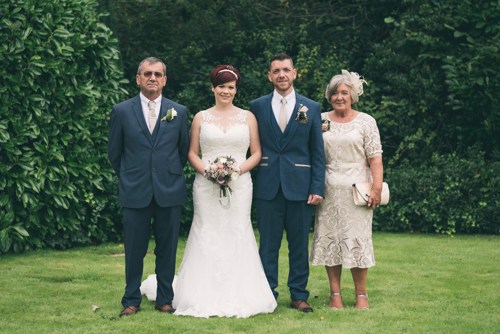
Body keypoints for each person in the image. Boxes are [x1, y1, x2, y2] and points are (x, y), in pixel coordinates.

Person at [141, 65, 277, 318]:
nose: (226, 91)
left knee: (238, 230)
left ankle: (242, 293)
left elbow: (257, 152)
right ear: (212, 88)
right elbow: (192, 152)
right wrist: (209, 172)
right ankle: (199, 293)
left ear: (235, 90)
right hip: (206, 184)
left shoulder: (247, 117)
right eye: (222, 86)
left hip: (240, 184)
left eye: (231, 87)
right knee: (207, 232)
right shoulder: (201, 117)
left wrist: (235, 171)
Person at [108, 57, 190, 317]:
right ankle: (131, 299)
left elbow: (183, 149)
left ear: (165, 79)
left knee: (167, 248)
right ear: (138, 79)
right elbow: (115, 153)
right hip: (135, 190)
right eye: (147, 74)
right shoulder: (121, 111)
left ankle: (165, 298)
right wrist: (130, 176)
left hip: (168, 189)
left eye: (157, 74)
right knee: (134, 249)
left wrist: (167, 174)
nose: (152, 78)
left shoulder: (179, 111)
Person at [249, 53, 325, 313]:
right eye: (276, 70)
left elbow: (317, 152)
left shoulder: (311, 108)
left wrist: (317, 187)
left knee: (298, 245)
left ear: (294, 73)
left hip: (301, 186)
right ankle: (267, 293)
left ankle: (299, 295)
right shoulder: (257, 106)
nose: (281, 74)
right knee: (268, 245)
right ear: (269, 76)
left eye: (286, 70)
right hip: (268, 185)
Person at [310, 70, 384, 310]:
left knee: (358, 240)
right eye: (335, 93)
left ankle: (361, 295)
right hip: (328, 190)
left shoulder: (366, 121)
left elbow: (375, 160)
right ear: (329, 96)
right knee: (331, 241)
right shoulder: (320, 120)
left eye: (344, 92)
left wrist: (376, 189)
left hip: (358, 191)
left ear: (353, 95)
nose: (339, 97)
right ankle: (335, 294)